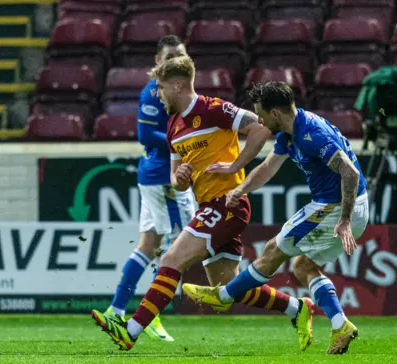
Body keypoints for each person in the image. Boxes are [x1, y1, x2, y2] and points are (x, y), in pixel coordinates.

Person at [92, 56, 312, 351]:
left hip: (228, 203)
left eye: (160, 88)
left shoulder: (213, 109)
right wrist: (180, 178)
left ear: (178, 85)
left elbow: (260, 128)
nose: (157, 94)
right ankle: (296, 308)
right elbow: (175, 179)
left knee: (171, 259)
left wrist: (235, 166)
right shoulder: (172, 127)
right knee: (227, 288)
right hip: (207, 205)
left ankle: (130, 330)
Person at [183, 81, 368, 355]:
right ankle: (341, 326)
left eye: (261, 113)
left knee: (272, 250)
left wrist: (343, 219)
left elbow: (350, 173)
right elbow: (268, 167)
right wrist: (240, 189)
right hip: (350, 206)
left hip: (338, 206)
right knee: (303, 267)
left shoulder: (310, 134)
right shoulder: (288, 133)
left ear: (276, 113)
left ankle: (224, 295)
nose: (259, 119)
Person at [99, 35, 195, 342]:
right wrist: (182, 140)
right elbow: (145, 134)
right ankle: (150, 314)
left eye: (180, 55)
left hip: (157, 175)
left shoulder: (183, 89)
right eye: (170, 56)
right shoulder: (154, 91)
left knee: (148, 245)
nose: (176, 61)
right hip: (163, 176)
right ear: (158, 62)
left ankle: (116, 309)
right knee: (176, 245)